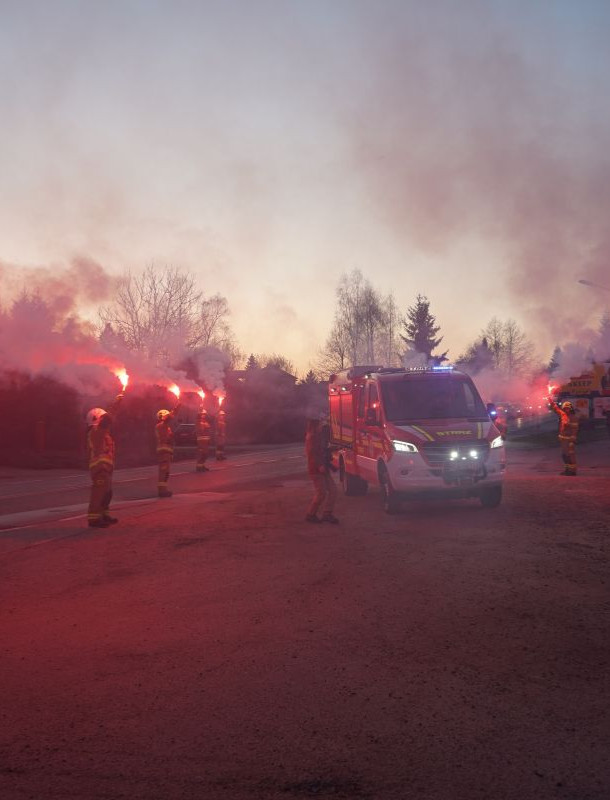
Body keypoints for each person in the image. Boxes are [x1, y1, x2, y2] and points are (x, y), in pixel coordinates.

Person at [86, 393, 124, 528]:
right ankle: (94, 518)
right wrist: (116, 403)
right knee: (99, 492)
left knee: (107, 492)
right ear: (97, 419)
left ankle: (104, 514)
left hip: (106, 468)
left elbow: (107, 421)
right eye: (102, 419)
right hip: (100, 468)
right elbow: (107, 419)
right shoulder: (96, 431)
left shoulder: (102, 433)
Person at [305, 418, 339, 524]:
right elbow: (312, 454)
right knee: (321, 493)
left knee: (333, 490)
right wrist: (319, 465)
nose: (321, 427)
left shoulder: (318, 437)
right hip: (316, 470)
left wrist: (334, 448)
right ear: (315, 427)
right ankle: (311, 514)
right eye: (319, 425)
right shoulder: (311, 438)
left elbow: (322, 450)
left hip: (323, 469)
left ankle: (327, 513)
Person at [548, 397, 579, 476]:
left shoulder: (573, 418)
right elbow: (555, 408)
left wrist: (572, 440)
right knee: (564, 455)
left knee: (570, 455)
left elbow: (575, 430)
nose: (566, 410)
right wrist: (550, 401)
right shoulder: (563, 414)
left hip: (569, 440)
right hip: (563, 439)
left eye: (568, 408)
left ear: (571, 409)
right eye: (565, 408)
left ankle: (572, 471)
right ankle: (567, 469)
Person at [156, 403, 180, 497]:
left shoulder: (165, 426)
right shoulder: (161, 425)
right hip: (163, 451)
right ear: (162, 417)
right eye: (166, 415)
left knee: (166, 472)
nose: (168, 417)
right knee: (163, 471)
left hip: (166, 452)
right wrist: (176, 408)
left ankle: (164, 489)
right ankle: (161, 491)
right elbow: (169, 418)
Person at [195, 408, 211, 472]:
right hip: (201, 440)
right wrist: (200, 409)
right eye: (202, 414)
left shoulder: (206, 422)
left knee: (205, 454)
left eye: (204, 414)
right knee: (201, 453)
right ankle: (199, 467)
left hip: (206, 440)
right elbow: (198, 418)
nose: (203, 415)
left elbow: (208, 429)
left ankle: (202, 465)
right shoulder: (198, 421)